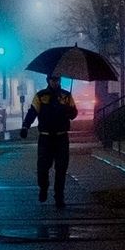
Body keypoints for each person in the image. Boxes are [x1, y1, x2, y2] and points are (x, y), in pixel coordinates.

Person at [21, 74, 78, 206]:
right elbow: (32, 112)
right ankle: (43, 187)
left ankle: (59, 197)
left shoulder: (66, 96)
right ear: (48, 80)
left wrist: (69, 110)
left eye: (57, 80)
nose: (55, 82)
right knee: (42, 167)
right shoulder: (41, 96)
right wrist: (25, 126)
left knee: (61, 168)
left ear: (60, 80)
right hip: (45, 137)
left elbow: (74, 114)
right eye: (52, 80)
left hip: (61, 137)